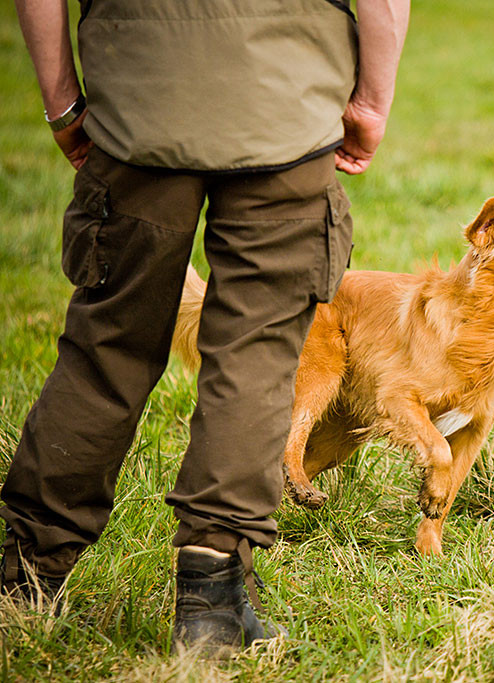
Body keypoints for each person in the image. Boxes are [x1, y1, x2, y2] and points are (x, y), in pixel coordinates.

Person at [1, 0, 409, 650]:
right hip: (288, 110)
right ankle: (213, 597)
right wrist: (371, 100)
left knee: (105, 351)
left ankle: (23, 576)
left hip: (137, 108)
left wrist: (60, 100)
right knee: (259, 354)